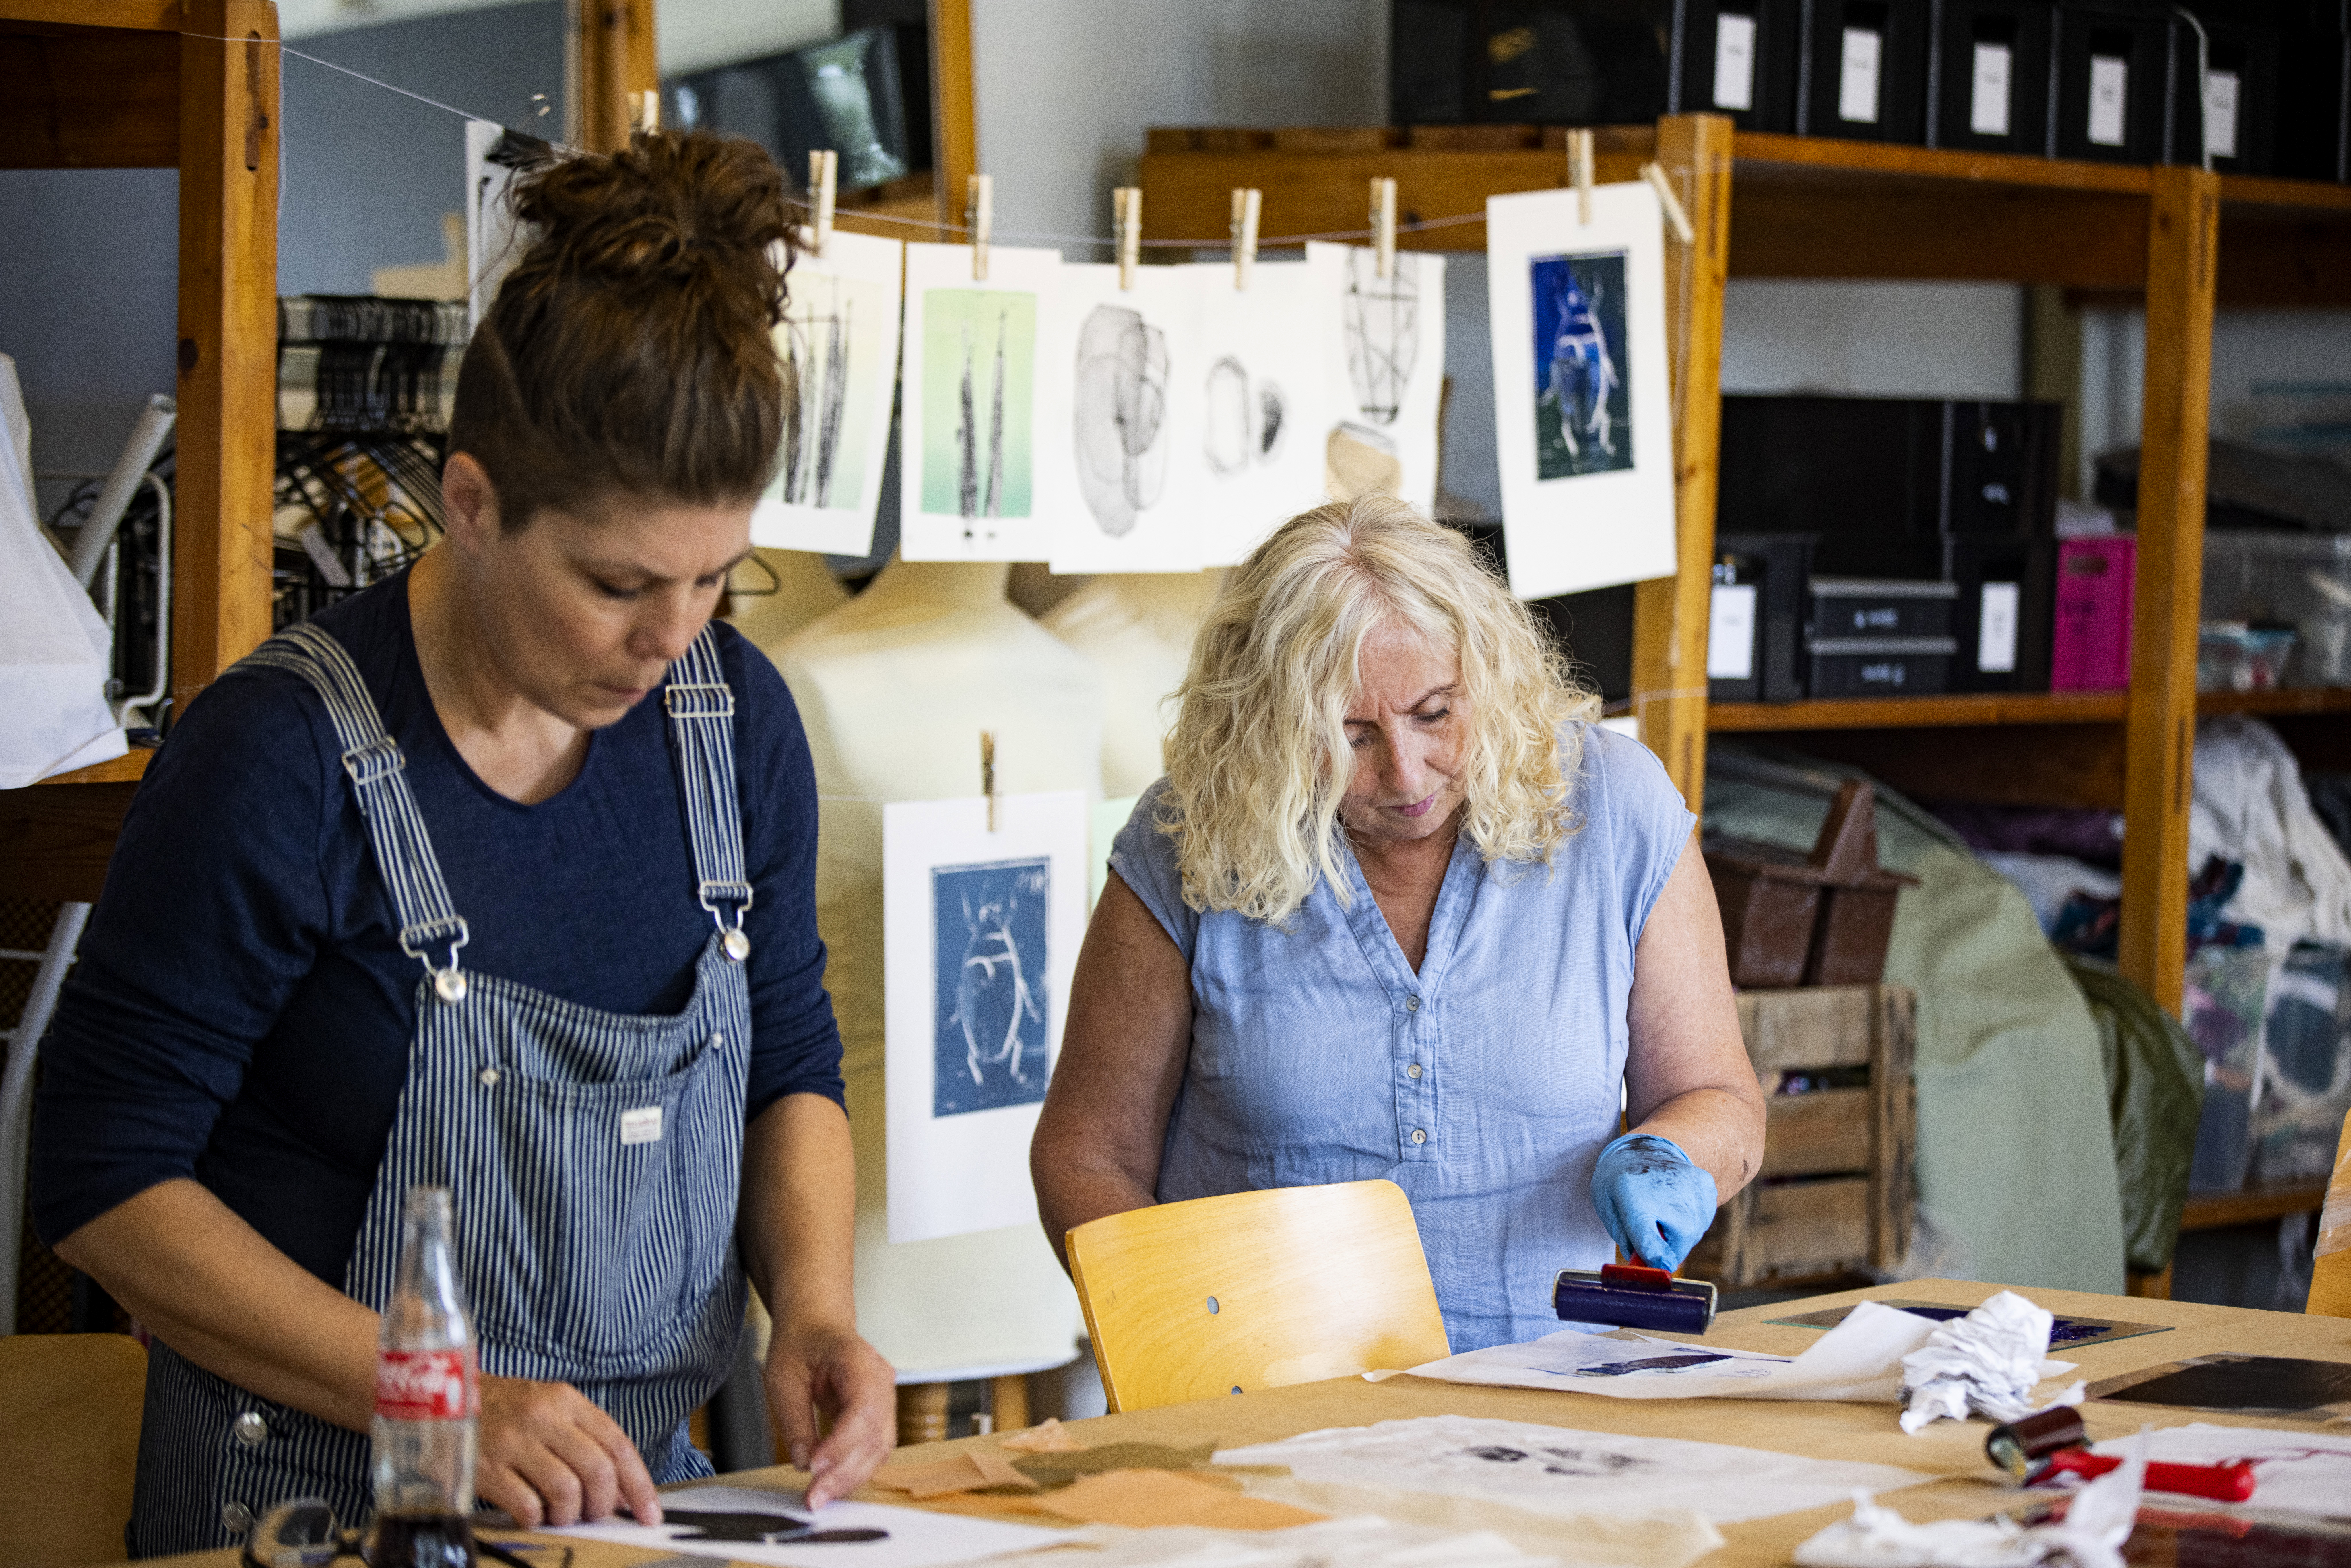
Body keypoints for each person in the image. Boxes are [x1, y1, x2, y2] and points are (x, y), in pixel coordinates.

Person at [32, 131, 894, 1557]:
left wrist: (814, 1310)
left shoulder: (728, 721)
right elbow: (100, 1178)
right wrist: (442, 1395)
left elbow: (786, 1063)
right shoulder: (279, 758)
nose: (666, 638)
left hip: (626, 1515)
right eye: (616, 583)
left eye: (713, 579)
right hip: (299, 1516)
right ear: (473, 501)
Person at [1031, 494, 1766, 1351]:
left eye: (1435, 713)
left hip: (1558, 1404)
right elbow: (1089, 1157)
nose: (1406, 772)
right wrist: (1187, 1346)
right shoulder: (1192, 841)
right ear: (1267, 727)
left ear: (1486, 673)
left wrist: (1677, 1157)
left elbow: (1718, 1097)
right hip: (1274, 1405)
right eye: (1351, 735)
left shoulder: (1614, 810)